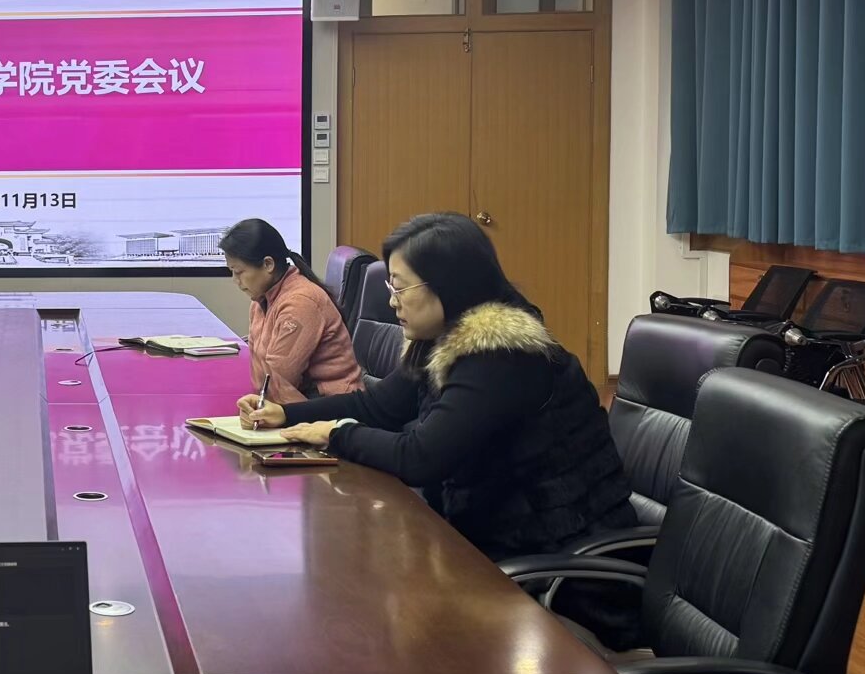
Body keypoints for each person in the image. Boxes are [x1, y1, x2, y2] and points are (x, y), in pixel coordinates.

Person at [238, 211, 634, 561]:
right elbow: (378, 407)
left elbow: (421, 458)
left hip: (551, 556)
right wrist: (286, 414)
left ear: (448, 285)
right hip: (481, 538)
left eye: (400, 288)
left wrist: (337, 434)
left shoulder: (501, 357)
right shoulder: (442, 339)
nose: (392, 302)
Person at [220, 218, 360, 404]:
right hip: (297, 400)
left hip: (329, 406)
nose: (235, 280)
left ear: (268, 264)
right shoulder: (262, 298)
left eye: (238, 272)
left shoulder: (300, 303)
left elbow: (274, 382)